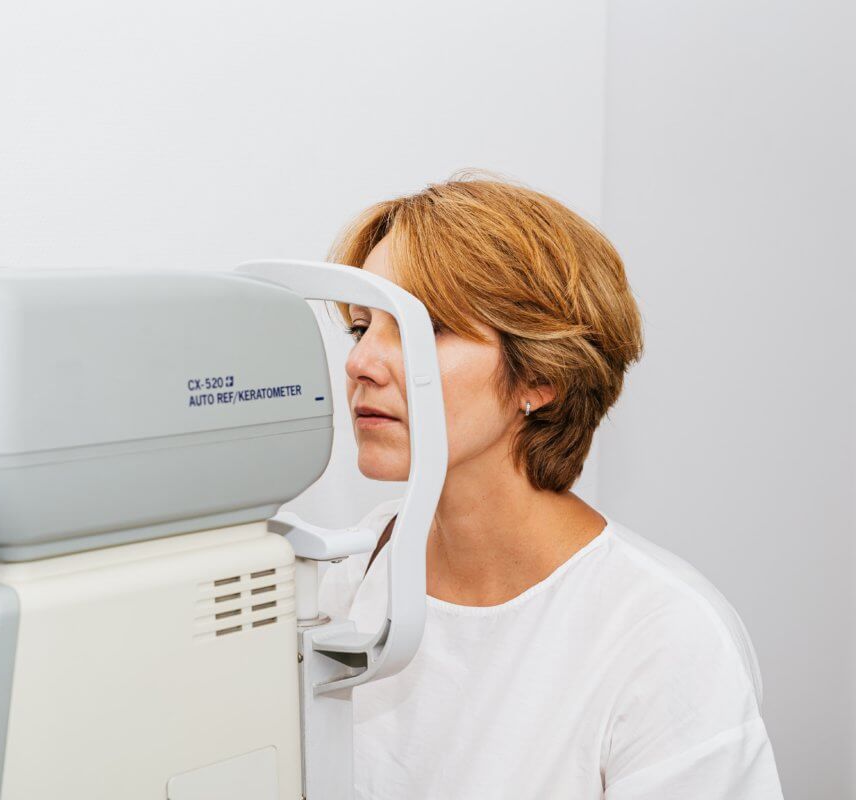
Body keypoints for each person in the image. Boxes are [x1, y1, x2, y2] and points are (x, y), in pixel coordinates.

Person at [317, 175, 784, 799]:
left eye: (424, 327)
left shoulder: (664, 638)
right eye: (359, 327)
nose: (360, 363)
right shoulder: (347, 577)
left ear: (539, 377)